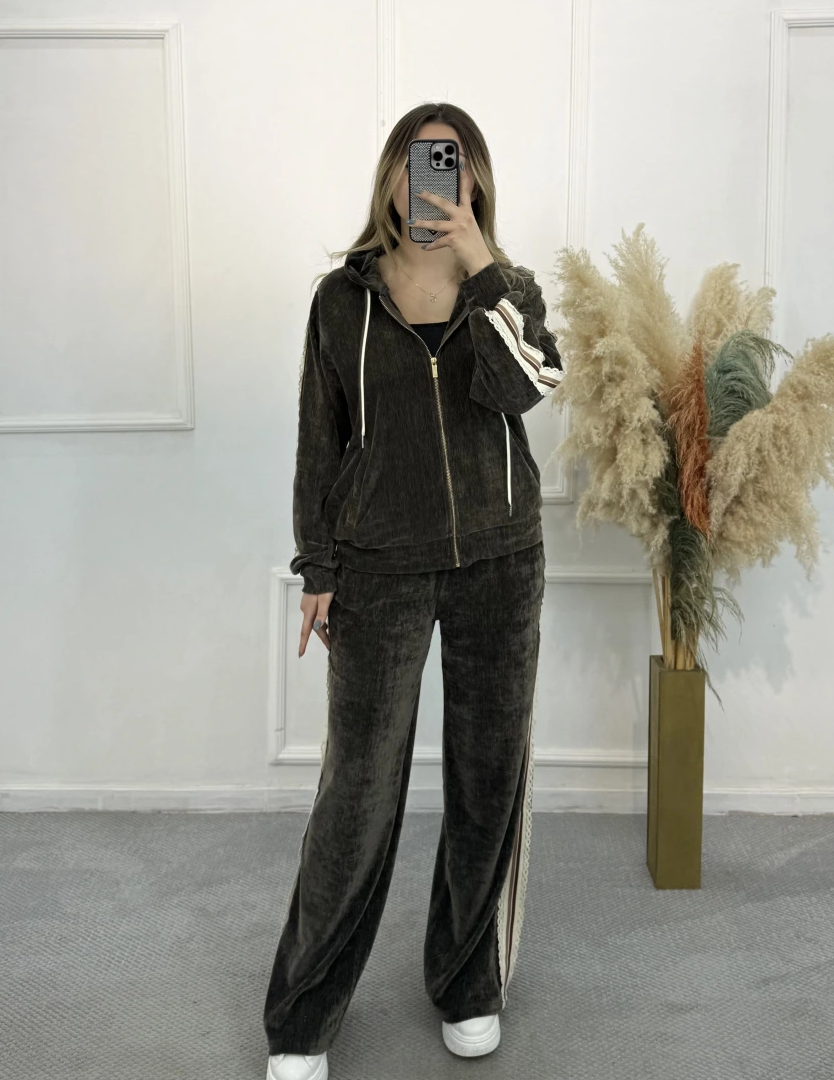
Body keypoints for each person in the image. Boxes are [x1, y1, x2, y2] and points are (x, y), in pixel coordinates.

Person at [264, 103, 565, 1080]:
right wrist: (318, 565)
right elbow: (320, 439)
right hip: (379, 567)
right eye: (417, 159)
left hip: (498, 561)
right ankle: (304, 1013)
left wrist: (481, 268)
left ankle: (468, 981)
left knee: (487, 779)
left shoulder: (507, 288)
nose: (432, 177)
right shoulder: (340, 300)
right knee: (357, 792)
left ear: (474, 178)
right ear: (391, 174)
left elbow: (527, 387)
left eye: (452, 160)